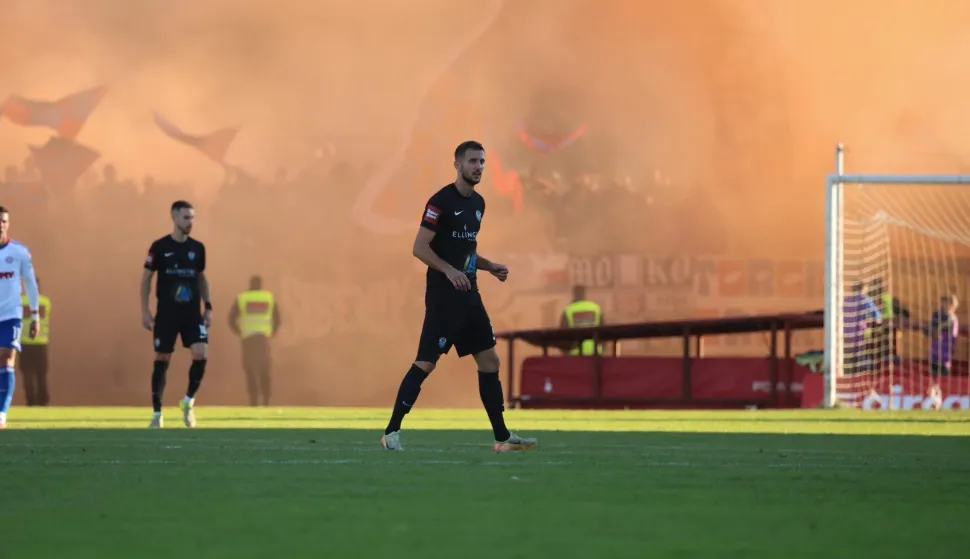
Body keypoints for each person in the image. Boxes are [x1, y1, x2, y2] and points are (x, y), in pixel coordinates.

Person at [381, 141, 537, 452]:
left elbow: (466, 250)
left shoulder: (478, 204)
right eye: (472, 161)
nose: (479, 167)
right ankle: (391, 432)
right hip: (444, 298)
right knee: (426, 363)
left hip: (470, 294)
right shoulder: (440, 202)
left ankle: (502, 438)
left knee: (490, 361)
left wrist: (489, 265)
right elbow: (420, 248)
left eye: (482, 161)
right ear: (458, 165)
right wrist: (449, 271)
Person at [140, 200, 212, 428]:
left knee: (201, 353)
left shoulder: (198, 248)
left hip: (192, 313)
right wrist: (145, 310)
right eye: (186, 218)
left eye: (192, 218)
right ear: (174, 218)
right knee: (162, 358)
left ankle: (188, 402)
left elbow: (202, 278)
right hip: (167, 314)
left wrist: (208, 307)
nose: (190, 222)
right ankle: (157, 414)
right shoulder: (159, 247)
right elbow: (146, 279)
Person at [0, 206, 41, 429]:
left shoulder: (19, 253)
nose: (1, 225)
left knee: (6, 358)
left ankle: (2, 414)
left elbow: (31, 284)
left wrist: (34, 316)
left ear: (8, 224)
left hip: (10, 316)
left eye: (4, 221)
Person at [229, 275, 280, 406]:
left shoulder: (242, 298)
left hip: (248, 339)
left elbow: (231, 319)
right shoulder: (269, 298)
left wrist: (239, 332)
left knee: (249, 368)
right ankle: (266, 400)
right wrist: (272, 332)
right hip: (263, 339)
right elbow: (277, 318)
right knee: (265, 368)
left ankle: (253, 400)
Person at [18, 276, 51, 406]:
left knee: (27, 373)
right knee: (41, 373)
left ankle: (30, 401)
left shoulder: (19, 302)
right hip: (41, 343)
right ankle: (43, 401)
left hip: (25, 343)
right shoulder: (46, 302)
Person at [560, 284, 604, 356]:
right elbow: (604, 331)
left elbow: (563, 335)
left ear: (574, 294)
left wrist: (565, 353)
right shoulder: (595, 308)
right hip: (595, 352)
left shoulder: (568, 310)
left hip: (575, 354)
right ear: (584, 294)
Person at [927, 294, 960, 378]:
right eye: (943, 303)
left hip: (945, 351)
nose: (943, 306)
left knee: (943, 374)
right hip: (936, 350)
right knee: (934, 371)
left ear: (953, 306)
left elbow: (946, 327)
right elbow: (933, 327)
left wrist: (937, 330)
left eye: (947, 304)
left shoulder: (952, 318)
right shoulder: (937, 314)